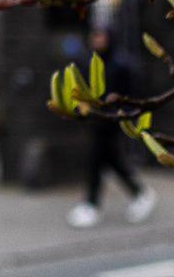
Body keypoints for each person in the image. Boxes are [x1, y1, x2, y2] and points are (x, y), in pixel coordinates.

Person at [67, 26, 157, 228]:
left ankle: (92, 204)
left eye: (101, 36)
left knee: (96, 161)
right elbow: (78, 88)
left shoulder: (121, 63)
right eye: (94, 36)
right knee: (110, 161)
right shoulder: (87, 62)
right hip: (96, 121)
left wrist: (121, 112)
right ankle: (139, 194)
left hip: (112, 121)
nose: (97, 40)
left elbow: (133, 93)